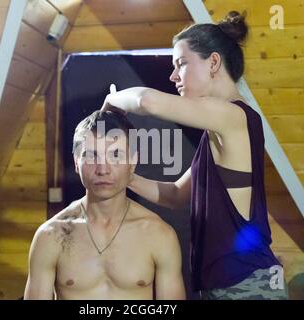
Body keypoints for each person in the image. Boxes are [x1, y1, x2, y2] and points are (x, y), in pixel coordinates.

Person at [101, 11, 288, 300]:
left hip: (247, 285)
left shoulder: (236, 116)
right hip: (223, 286)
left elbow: (145, 100)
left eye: (181, 64)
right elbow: (176, 194)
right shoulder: (215, 132)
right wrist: (126, 178)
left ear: (213, 62)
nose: (173, 76)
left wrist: (111, 100)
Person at [24, 110, 186, 300]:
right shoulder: (51, 235)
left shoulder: (159, 235)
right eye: (91, 156)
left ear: (133, 161)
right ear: (77, 162)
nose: (103, 169)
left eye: (116, 155)